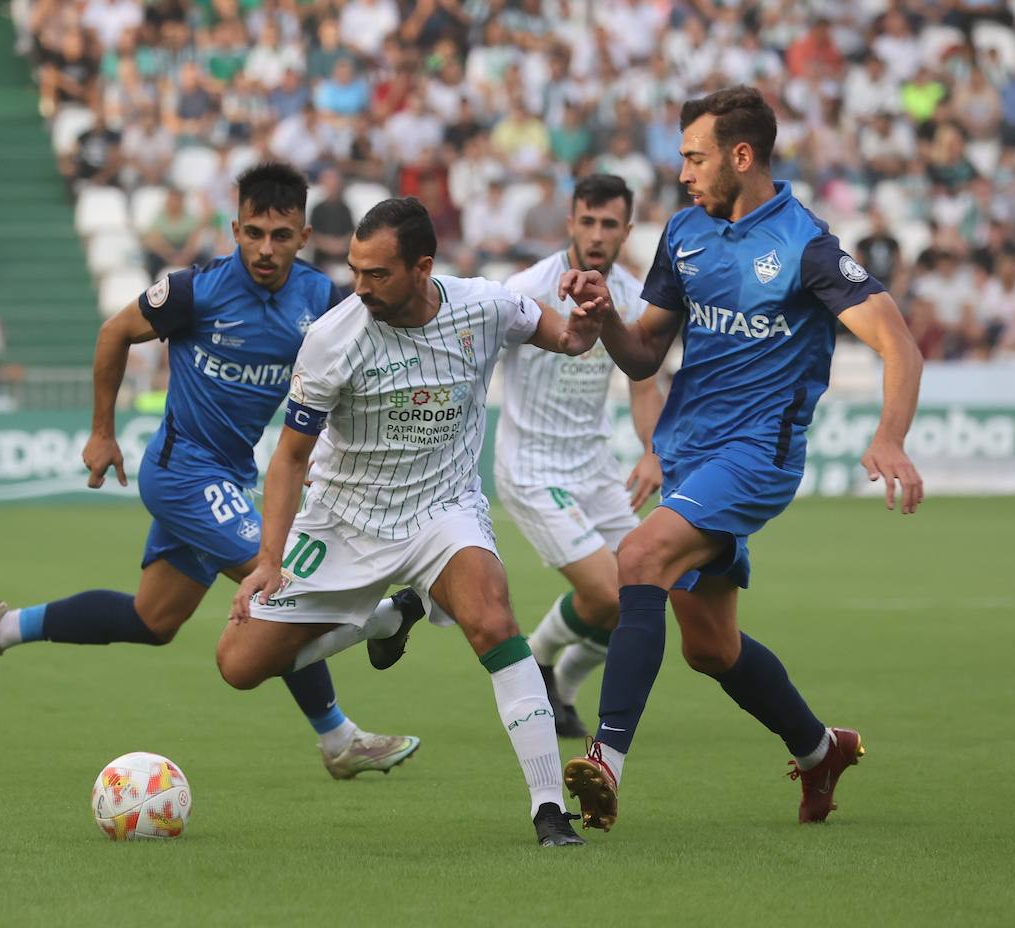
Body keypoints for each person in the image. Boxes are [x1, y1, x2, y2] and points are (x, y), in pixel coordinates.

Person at [0, 163, 421, 780]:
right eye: (253, 233)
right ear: (234, 229)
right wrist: (101, 432)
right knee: (275, 585)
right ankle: (343, 724)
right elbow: (115, 333)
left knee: (153, 620)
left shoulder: (323, 301)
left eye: (280, 235)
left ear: (303, 237)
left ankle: (1, 627)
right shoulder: (195, 292)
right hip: (180, 474)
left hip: (228, 477)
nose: (265, 249)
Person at [558, 86, 924, 833]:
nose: (683, 171)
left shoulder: (805, 244)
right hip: (692, 454)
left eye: (695, 157)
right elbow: (643, 356)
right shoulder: (685, 233)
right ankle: (820, 750)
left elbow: (898, 343)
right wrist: (602, 320)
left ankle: (606, 760)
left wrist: (889, 436)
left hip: (759, 455)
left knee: (640, 557)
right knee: (711, 648)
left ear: (741, 155)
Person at [218, 197, 613, 847]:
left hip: (442, 512)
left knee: (492, 618)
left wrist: (590, 320)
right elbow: (288, 459)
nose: (361, 286)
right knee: (238, 665)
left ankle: (549, 809)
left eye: (377, 273)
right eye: (354, 270)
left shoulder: (483, 306)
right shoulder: (331, 341)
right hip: (344, 520)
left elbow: (567, 337)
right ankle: (386, 617)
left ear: (422, 267)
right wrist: (269, 559)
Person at [495, 174, 665, 740]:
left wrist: (651, 450)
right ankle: (545, 662)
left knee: (643, 588)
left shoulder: (638, 296)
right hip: (532, 469)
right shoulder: (527, 287)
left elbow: (643, 385)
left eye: (609, 224)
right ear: (570, 221)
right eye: (587, 221)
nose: (596, 234)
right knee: (610, 590)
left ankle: (559, 684)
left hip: (595, 468)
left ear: (627, 230)